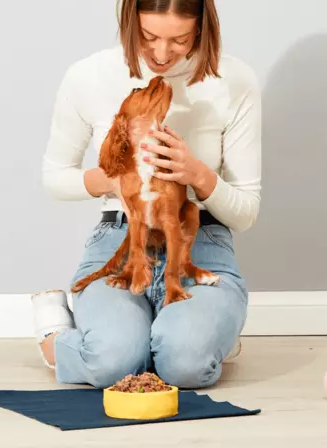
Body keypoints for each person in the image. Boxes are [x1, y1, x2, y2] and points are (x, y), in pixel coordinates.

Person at [33, 0, 261, 390]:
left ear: (202, 28)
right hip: (120, 239)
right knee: (112, 363)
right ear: (129, 21)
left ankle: (193, 338)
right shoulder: (88, 76)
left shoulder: (234, 80)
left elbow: (245, 213)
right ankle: (54, 329)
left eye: (180, 40)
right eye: (148, 36)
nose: (161, 54)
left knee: (186, 365)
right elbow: (55, 178)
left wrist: (196, 174)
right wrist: (118, 180)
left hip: (199, 241)